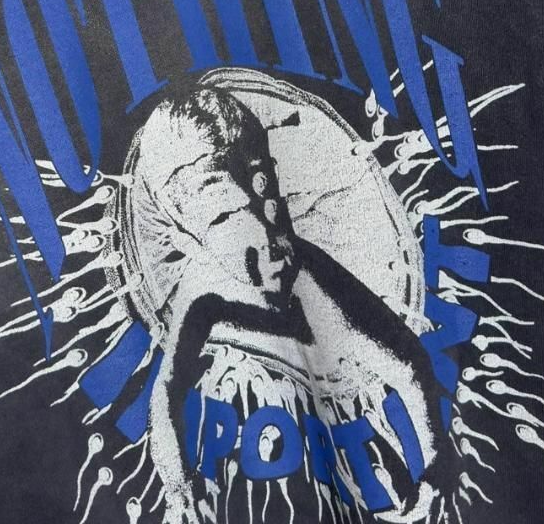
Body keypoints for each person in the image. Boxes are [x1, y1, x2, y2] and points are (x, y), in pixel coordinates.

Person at [125, 80, 445, 524]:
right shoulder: (202, 294)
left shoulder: (311, 281)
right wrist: (178, 492)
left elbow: (408, 366)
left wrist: (435, 467)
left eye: (264, 189)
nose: (263, 227)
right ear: (189, 236)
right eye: (224, 214)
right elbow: (166, 392)